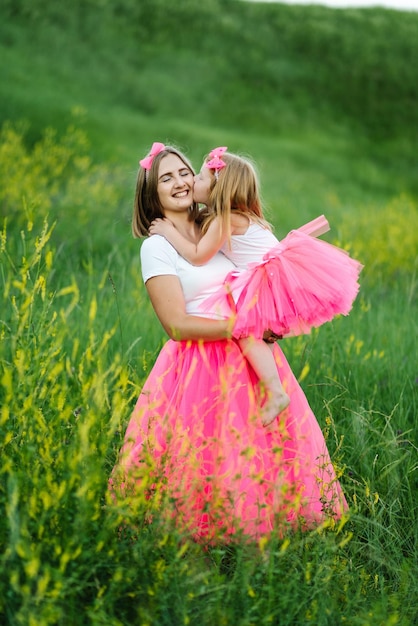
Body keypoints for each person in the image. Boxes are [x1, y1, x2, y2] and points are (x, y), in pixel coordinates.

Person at [110, 141, 349, 543]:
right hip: (200, 365)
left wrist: (267, 319)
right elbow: (177, 325)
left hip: (248, 357)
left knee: (257, 457)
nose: (182, 181)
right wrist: (242, 325)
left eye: (185, 172)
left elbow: (257, 273)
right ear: (151, 194)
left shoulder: (214, 225)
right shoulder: (157, 246)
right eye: (166, 178)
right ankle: (199, 562)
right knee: (203, 459)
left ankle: (259, 562)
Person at [149, 147, 363, 427]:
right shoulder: (231, 217)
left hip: (270, 279)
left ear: (217, 190)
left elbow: (198, 255)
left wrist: (168, 232)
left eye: (198, 178)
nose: (192, 184)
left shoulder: (224, 219)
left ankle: (274, 390)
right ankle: (272, 387)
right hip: (278, 276)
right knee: (250, 330)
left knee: (247, 328)